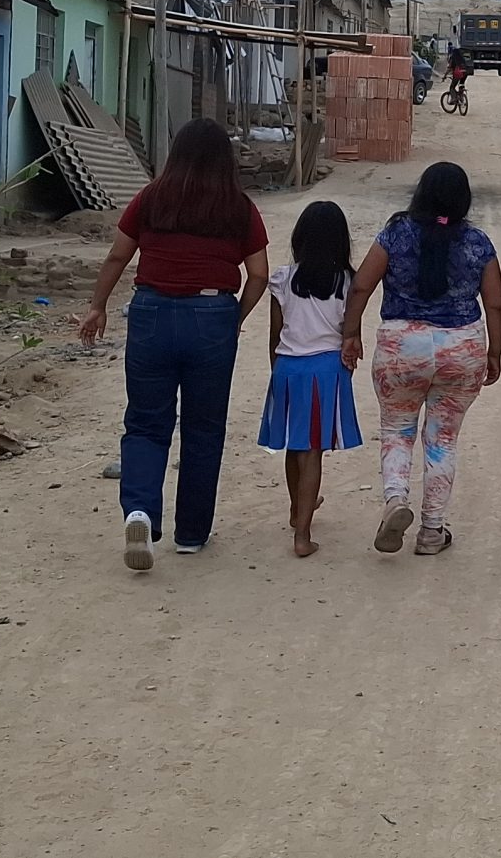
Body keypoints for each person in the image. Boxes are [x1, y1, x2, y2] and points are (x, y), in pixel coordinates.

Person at [81, 118, 269, 572]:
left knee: (145, 424)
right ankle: (190, 535)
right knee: (204, 429)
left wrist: (97, 306)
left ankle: (141, 511)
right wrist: (233, 318)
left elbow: (117, 255)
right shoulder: (238, 207)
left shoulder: (151, 198)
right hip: (212, 316)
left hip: (151, 313)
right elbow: (259, 273)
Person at [340, 162, 501, 556]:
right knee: (442, 440)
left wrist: (350, 332)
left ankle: (396, 499)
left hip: (402, 346)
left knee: (397, 431)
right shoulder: (478, 243)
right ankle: (432, 531)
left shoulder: (396, 233)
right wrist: (493, 351)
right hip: (460, 347)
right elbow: (496, 303)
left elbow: (362, 284)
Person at [258, 201, 363, 558]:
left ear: (299, 238)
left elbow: (275, 333)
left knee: (293, 444)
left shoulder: (283, 279)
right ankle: (302, 536)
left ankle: (295, 509)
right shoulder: (348, 282)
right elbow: (350, 333)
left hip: (288, 367)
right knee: (314, 449)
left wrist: (277, 367)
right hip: (325, 370)